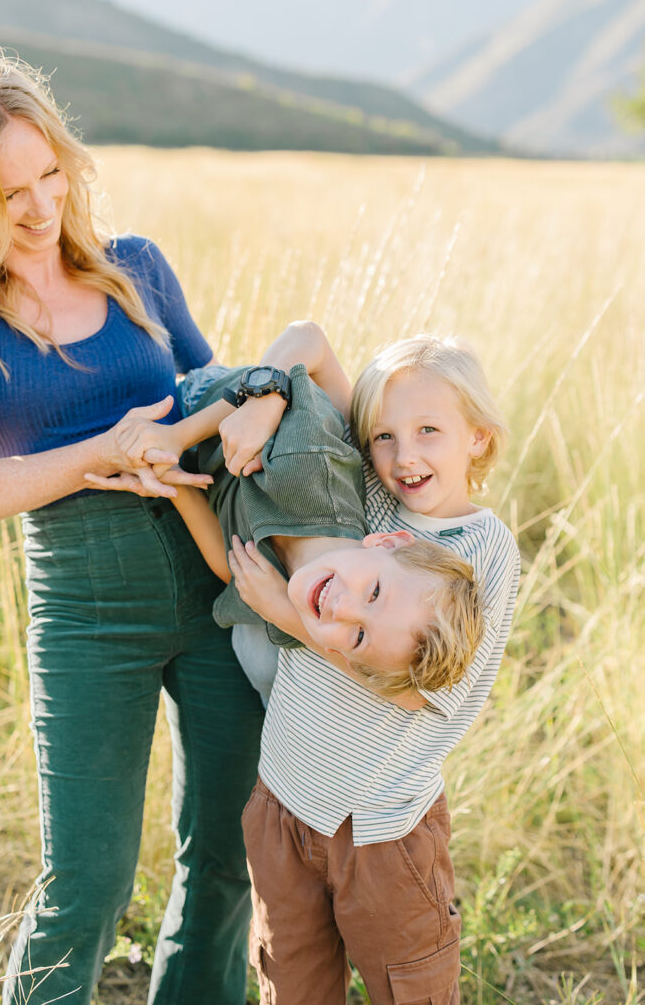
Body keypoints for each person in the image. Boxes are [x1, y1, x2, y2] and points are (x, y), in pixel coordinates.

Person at [0, 46, 266, 1005]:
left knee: (224, 858)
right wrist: (104, 452)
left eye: (50, 172)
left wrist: (235, 411)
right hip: (86, 613)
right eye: (8, 189)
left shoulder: (137, 268)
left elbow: (205, 400)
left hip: (216, 586)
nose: (40, 206)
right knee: (87, 884)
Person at [223, 331, 521, 1004]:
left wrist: (288, 615)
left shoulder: (484, 547)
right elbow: (310, 344)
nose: (403, 455)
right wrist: (268, 398)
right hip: (284, 801)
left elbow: (427, 692)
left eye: (427, 431)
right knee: (292, 981)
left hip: (382, 826)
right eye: (382, 435)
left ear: (475, 437)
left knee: (406, 985)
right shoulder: (370, 500)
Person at [91, 356, 486, 703]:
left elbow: (231, 568)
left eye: (359, 637)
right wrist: (178, 436)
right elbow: (281, 377)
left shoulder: (289, 616)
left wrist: (173, 482)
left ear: (342, 657)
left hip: (186, 463)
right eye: (374, 592)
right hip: (204, 401)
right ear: (384, 542)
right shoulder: (311, 466)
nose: (343, 609)